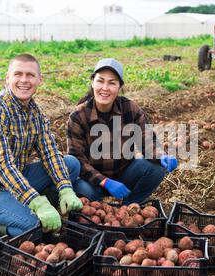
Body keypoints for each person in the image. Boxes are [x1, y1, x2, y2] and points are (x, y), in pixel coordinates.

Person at [0, 53, 83, 258]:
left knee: (70, 164)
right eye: (18, 74)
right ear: (7, 78)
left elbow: (50, 153)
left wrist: (66, 189)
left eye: (30, 75)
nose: (24, 80)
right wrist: (37, 202)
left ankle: (48, 215)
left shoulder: (36, 112)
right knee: (32, 226)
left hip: (15, 180)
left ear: (39, 80)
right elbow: (3, 165)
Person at [67, 58, 178, 204]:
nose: (105, 88)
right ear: (93, 82)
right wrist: (105, 182)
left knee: (156, 168)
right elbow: (78, 159)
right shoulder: (78, 116)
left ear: (119, 87)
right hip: (93, 181)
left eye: (112, 83)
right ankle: (98, 206)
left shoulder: (129, 108)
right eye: (100, 81)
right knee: (79, 188)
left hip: (124, 176)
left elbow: (146, 139)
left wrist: (161, 155)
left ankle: (130, 206)